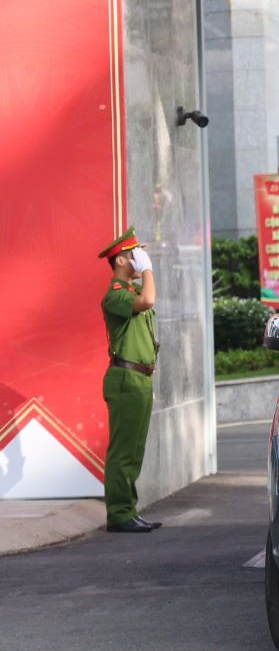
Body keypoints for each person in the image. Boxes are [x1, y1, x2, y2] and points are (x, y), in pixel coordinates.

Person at [97, 228, 161, 534]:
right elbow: (148, 300)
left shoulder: (131, 293)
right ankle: (119, 514)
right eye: (134, 253)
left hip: (140, 379)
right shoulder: (116, 295)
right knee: (123, 451)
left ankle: (128, 510)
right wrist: (146, 268)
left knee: (134, 450)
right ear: (122, 259)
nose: (139, 258)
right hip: (126, 380)